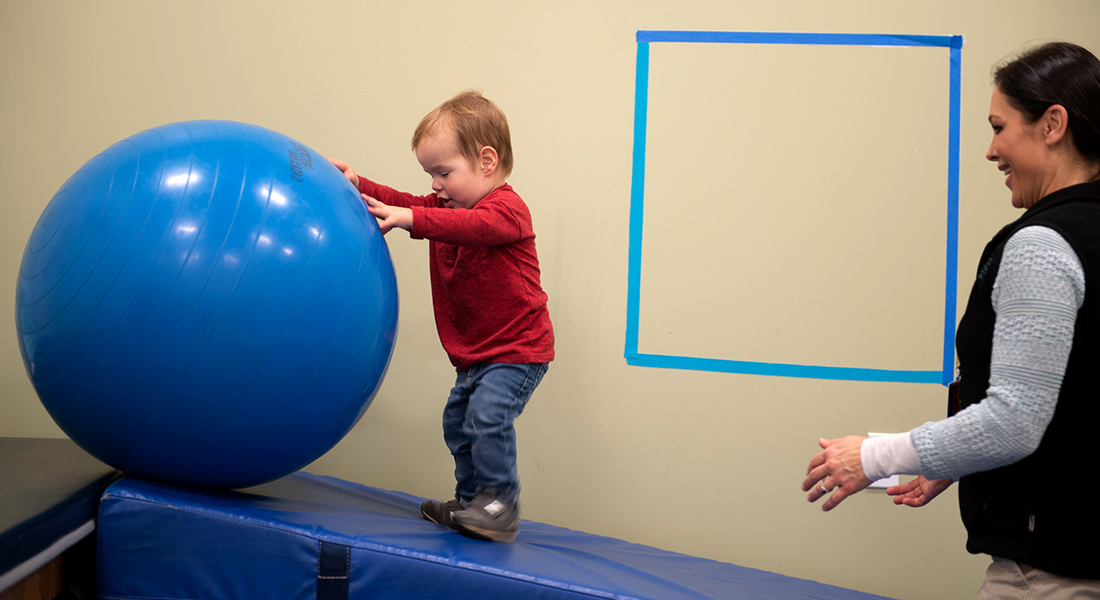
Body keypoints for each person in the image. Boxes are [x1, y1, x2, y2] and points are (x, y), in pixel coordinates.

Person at [801, 41, 1100, 598]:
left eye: (999, 126)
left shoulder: (1043, 244)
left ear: (1052, 123)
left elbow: (1013, 422)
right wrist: (959, 456)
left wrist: (870, 456)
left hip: (1053, 571)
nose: (991, 151)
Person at [329, 90, 554, 543]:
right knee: (458, 421)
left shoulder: (507, 210)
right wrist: (360, 185)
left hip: (518, 349)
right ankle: (472, 502)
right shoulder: (448, 208)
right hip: (476, 355)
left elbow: (470, 228)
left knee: (488, 415)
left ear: (486, 161)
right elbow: (404, 201)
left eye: (443, 172)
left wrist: (413, 219)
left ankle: (500, 504)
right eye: (431, 173)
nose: (434, 185)